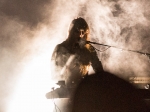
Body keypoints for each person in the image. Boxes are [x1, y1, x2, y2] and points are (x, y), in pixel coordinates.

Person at [51, 17, 104, 88]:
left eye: (83, 32)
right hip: (66, 88)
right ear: (71, 32)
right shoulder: (61, 48)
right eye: (77, 32)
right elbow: (56, 72)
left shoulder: (88, 48)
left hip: (83, 88)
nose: (81, 35)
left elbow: (98, 69)